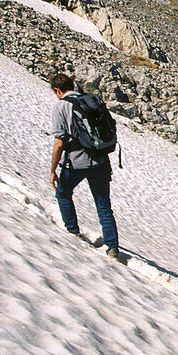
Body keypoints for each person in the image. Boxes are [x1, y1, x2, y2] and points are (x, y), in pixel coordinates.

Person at [49, 73, 122, 262]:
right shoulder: (90, 101)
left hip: (76, 162)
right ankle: (113, 248)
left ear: (58, 90)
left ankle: (73, 232)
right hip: (100, 161)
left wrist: (52, 169)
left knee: (63, 193)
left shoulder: (60, 106)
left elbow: (59, 142)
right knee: (104, 206)